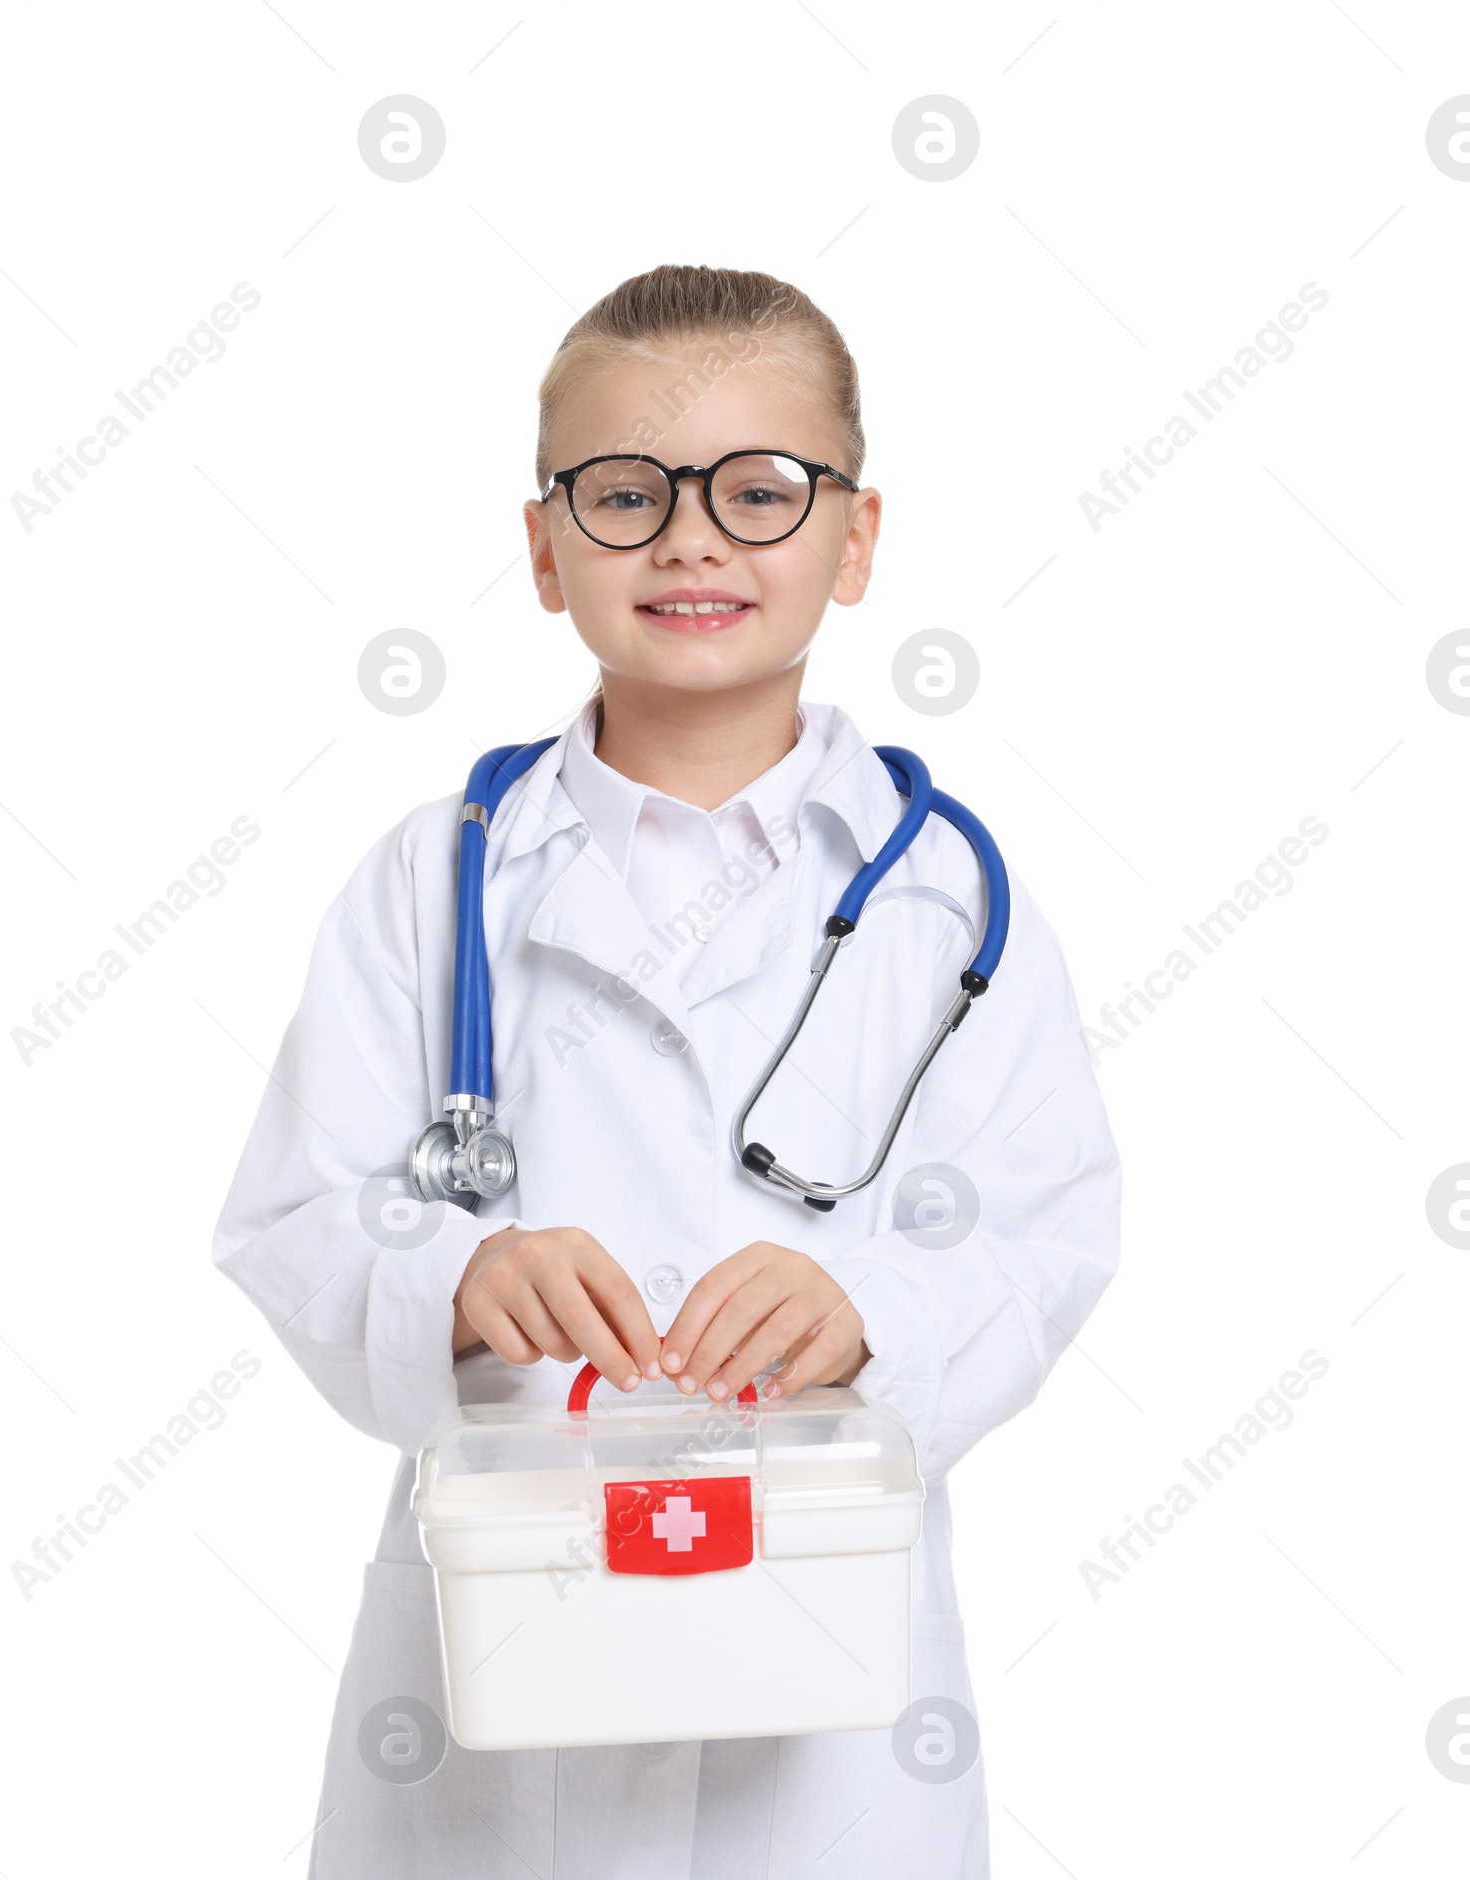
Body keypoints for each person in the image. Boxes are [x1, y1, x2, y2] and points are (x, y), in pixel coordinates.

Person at [211, 263, 1121, 1878]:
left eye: (761, 492)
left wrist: (876, 1314)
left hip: (832, 1711)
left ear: (857, 541)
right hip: (497, 1683)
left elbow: (1047, 1235)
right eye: (626, 493)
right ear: (546, 545)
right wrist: (459, 1272)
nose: (693, 538)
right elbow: (293, 1218)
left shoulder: (949, 904)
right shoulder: (435, 883)